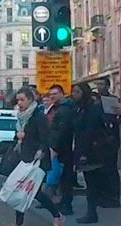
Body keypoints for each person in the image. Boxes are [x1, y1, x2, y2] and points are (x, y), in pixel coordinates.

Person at [3, 87, 64, 226]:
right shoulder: (21, 116)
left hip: (37, 160)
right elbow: (19, 137)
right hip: (24, 157)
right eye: (18, 100)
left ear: (31, 100)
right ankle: (20, 224)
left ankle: (56, 215)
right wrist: (18, 136)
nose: (19, 103)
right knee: (21, 190)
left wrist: (41, 151)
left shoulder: (38, 116)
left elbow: (45, 136)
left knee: (33, 192)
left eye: (22, 99)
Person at [71, 83, 114, 224]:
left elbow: (90, 132)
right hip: (84, 149)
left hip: (92, 152)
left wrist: (84, 153)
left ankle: (92, 212)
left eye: (77, 92)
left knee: (92, 183)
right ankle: (91, 211)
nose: (74, 94)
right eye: (73, 92)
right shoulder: (80, 109)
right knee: (91, 182)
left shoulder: (91, 109)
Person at [47, 85, 76, 216]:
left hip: (64, 149)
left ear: (62, 94)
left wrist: (55, 147)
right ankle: (64, 201)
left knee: (65, 177)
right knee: (63, 177)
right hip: (63, 148)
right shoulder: (59, 108)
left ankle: (67, 204)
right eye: (50, 94)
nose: (52, 96)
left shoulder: (64, 109)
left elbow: (61, 131)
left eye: (55, 93)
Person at [94, 77, 121, 208]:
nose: (99, 87)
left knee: (110, 168)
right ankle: (103, 195)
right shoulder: (95, 100)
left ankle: (113, 197)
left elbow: (113, 119)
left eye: (102, 84)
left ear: (108, 86)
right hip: (99, 139)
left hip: (110, 139)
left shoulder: (112, 100)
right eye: (98, 84)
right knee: (101, 169)